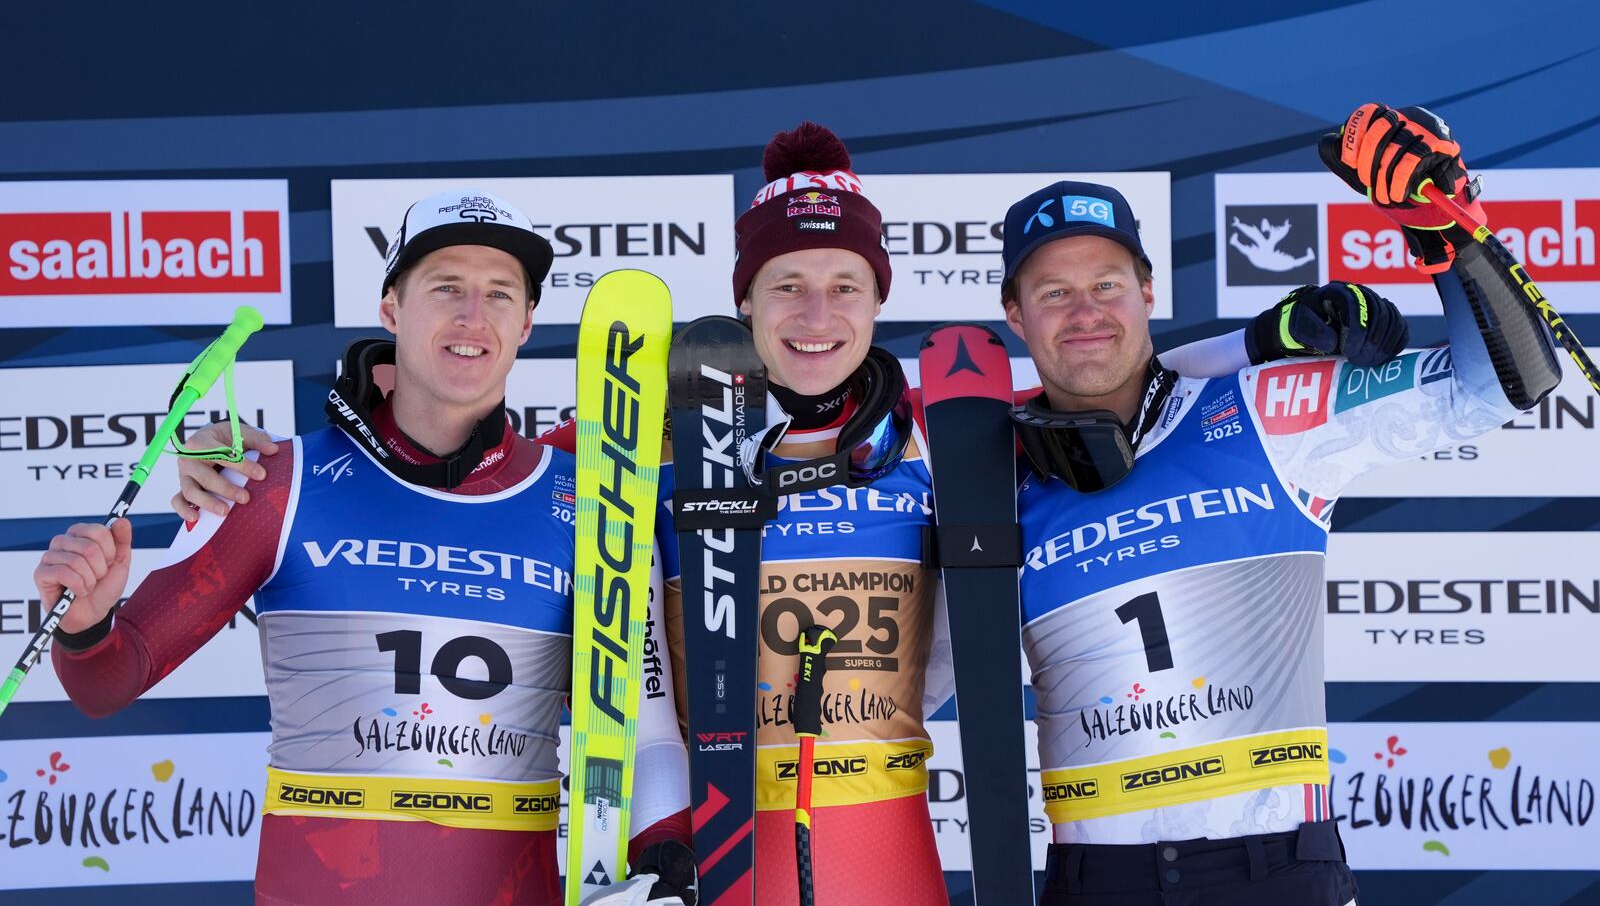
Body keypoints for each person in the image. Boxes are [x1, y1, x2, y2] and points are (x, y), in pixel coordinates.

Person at [174, 126, 1405, 904]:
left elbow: (1101, 378)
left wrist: (1252, 340)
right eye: (784, 287)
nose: (815, 314)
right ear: (743, 302)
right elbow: (462, 476)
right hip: (718, 848)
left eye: (845, 286)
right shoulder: (652, 444)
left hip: (888, 850)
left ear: (880, 298)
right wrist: (275, 468)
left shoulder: (949, 439)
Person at [35, 191, 695, 906]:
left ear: (527, 321)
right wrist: (86, 622)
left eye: (499, 293)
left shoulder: (591, 501)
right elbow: (107, 681)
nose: (473, 316)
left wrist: (666, 863)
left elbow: (647, 731)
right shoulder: (275, 482)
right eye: (446, 286)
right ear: (391, 308)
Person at [1000, 105, 1561, 905]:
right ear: (1016, 315)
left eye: (1107, 284)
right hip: (1096, 881)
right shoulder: (994, 477)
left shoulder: (1269, 410)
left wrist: (1444, 231)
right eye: (1054, 291)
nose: (1086, 312)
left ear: (1148, 291)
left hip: (1273, 871)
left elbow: (1501, 386)